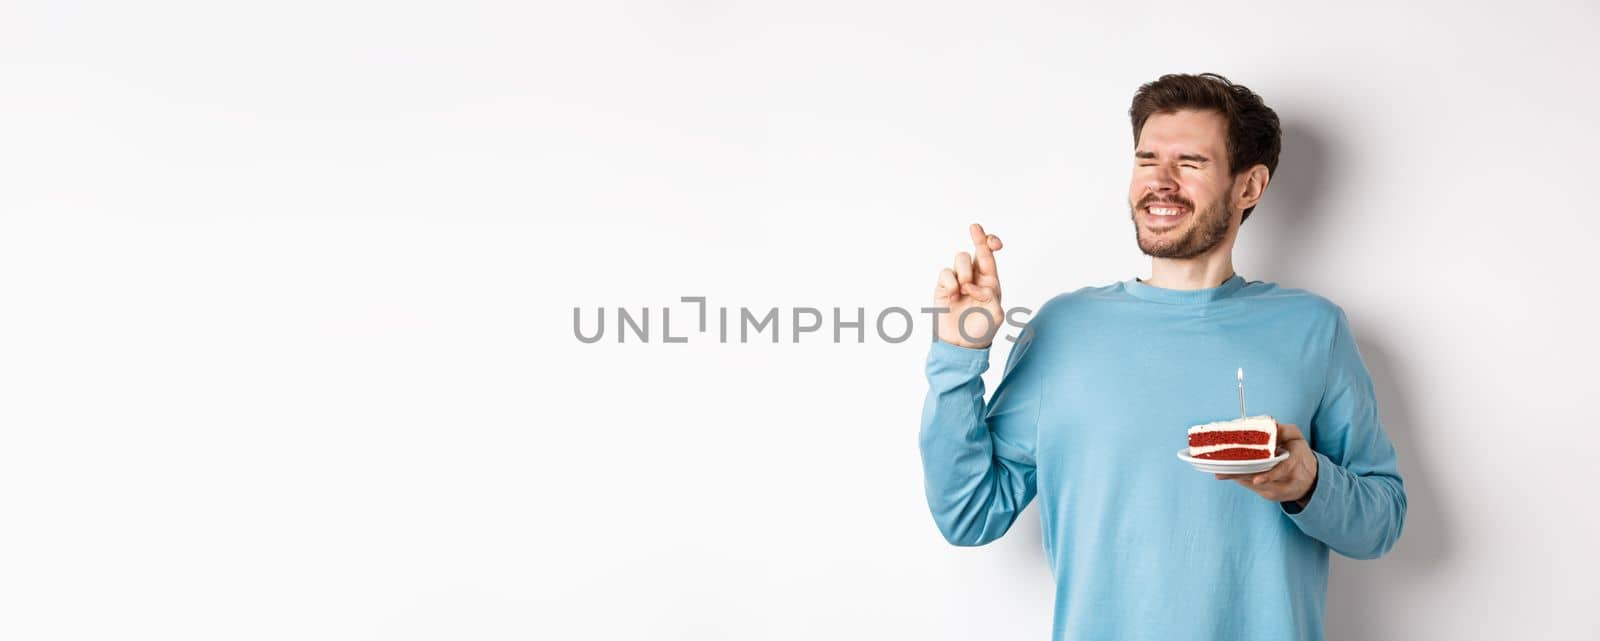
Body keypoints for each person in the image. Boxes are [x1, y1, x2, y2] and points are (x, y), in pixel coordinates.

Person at [918, 72, 1406, 641]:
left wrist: (1309, 482)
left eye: (1191, 163)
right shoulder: (1063, 330)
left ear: (1249, 186)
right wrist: (958, 353)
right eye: (1147, 160)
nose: (1161, 182)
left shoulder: (1313, 328)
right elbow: (968, 514)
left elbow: (1382, 524)